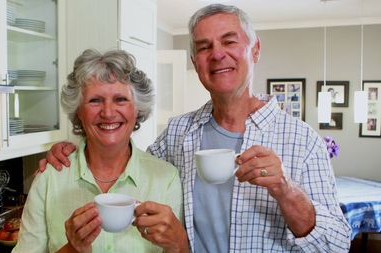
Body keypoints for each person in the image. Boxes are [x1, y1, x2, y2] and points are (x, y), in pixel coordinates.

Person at [40, 4, 351, 252]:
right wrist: (73, 148)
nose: (216, 54)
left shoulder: (301, 139)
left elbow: (336, 245)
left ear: (255, 49)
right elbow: (124, 160)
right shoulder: (179, 133)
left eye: (229, 41)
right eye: (204, 47)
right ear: (195, 61)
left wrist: (285, 189)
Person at [13, 49, 188, 253]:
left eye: (120, 99)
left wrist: (179, 243)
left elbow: (177, 248)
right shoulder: (49, 178)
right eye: (95, 100)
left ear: (137, 109)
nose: (108, 112)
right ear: (79, 110)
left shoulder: (166, 178)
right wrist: (72, 248)